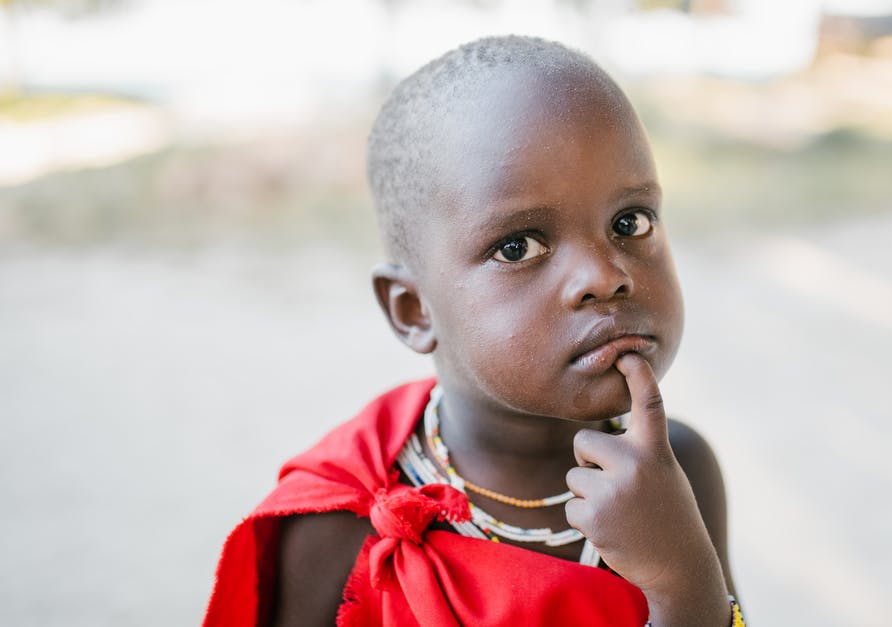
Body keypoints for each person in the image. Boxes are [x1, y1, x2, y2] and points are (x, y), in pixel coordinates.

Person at [203, 35, 742, 627]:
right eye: (518, 246)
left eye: (629, 221)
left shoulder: (676, 471)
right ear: (413, 310)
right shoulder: (341, 520)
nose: (605, 275)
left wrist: (681, 581)